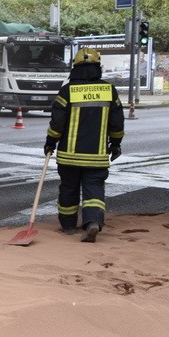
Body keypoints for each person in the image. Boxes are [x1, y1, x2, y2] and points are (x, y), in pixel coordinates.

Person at [44, 47, 125, 243]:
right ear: (98, 67)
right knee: (94, 190)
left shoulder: (67, 91)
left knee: (69, 188)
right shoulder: (108, 90)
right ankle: (92, 223)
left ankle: (68, 225)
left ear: (75, 68)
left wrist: (50, 142)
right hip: (96, 156)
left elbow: (57, 123)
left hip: (69, 156)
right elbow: (117, 123)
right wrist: (115, 144)